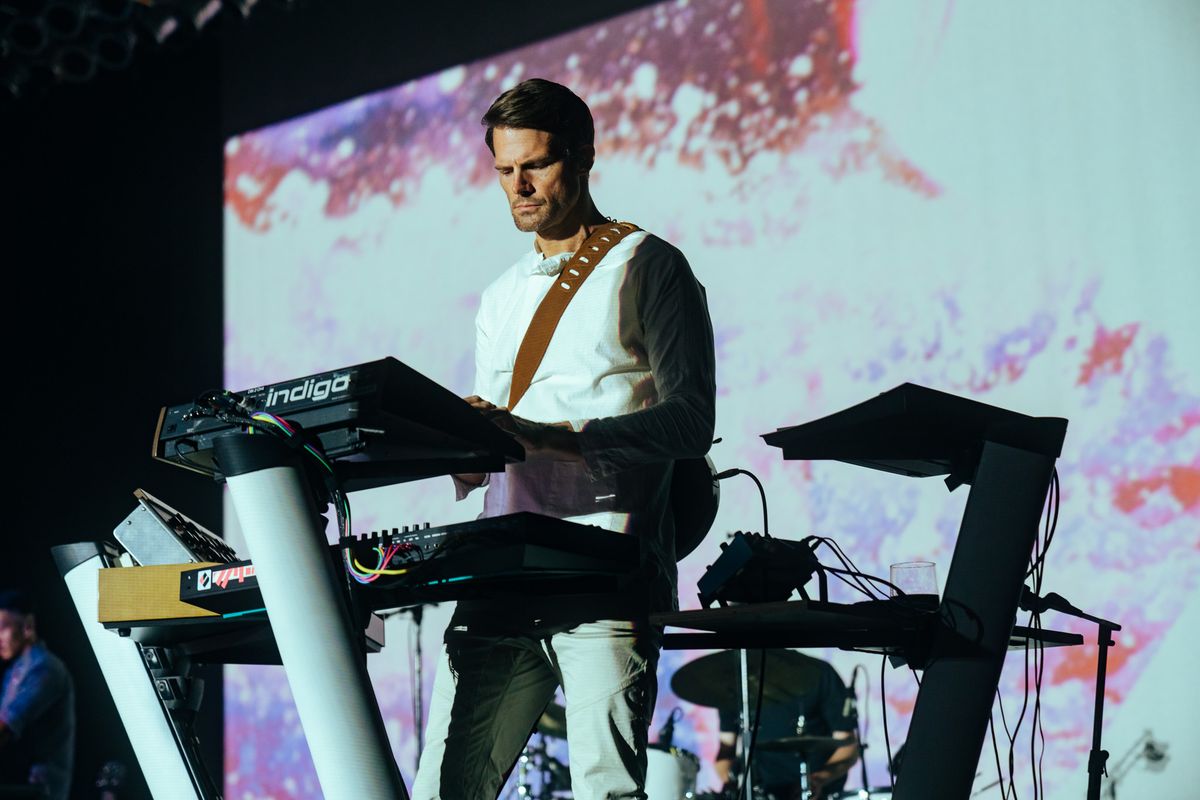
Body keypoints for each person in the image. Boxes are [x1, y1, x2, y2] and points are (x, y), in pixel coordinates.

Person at [410, 77, 716, 800]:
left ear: (582, 158)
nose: (519, 186)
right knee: (442, 789)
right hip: (505, 566)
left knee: (606, 790)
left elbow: (690, 421)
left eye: (537, 166)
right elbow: (499, 446)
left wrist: (559, 437)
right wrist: (462, 439)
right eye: (504, 171)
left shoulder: (649, 266)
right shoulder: (500, 294)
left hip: (606, 566)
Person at [714, 651, 859, 800]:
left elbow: (848, 747)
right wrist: (730, 782)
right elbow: (726, 748)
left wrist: (818, 779)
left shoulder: (820, 673)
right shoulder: (739, 681)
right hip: (760, 790)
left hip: (815, 792)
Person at [0, 589, 75, 800]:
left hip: (39, 791)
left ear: (27, 626)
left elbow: (6, 727)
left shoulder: (45, 668)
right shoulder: (14, 671)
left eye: (2, 628)